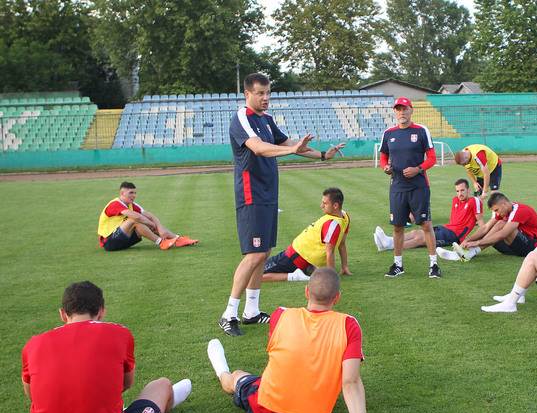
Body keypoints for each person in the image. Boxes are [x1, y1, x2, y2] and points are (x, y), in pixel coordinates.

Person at [206, 268, 393, 413]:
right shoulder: (349, 325)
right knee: (255, 379)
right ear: (337, 298)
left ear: (306, 291)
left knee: (237, 376)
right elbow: (350, 381)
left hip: (267, 408)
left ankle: (222, 371)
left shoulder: (280, 315)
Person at [21, 281, 192, 413]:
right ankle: (153, 410)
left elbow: (32, 395)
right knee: (161, 385)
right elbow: (125, 384)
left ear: (62, 314)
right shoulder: (119, 333)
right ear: (101, 312)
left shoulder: (34, 344)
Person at [220, 72, 345, 336]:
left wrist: (322, 155)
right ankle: (229, 313)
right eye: (260, 93)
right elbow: (259, 148)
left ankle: (251, 311)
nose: (266, 98)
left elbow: (289, 144)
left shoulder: (266, 119)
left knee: (264, 253)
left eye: (268, 93)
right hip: (251, 196)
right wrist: (292, 149)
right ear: (247, 94)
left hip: (268, 195)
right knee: (253, 254)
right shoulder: (241, 118)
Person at [379, 96, 440, 278]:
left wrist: (418, 169)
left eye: (405, 108)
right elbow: (383, 156)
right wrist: (386, 168)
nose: (401, 112)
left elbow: (432, 158)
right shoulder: (389, 133)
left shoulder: (421, 131)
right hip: (397, 187)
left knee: (426, 225)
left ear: (411, 110)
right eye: (398, 109)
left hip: (419, 186)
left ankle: (434, 265)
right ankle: (398, 265)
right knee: (398, 227)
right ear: (395, 112)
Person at [375, 178, 484, 261]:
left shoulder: (474, 201)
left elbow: (480, 223)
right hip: (446, 228)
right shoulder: (455, 200)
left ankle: (389, 245)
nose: (460, 194)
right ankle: (389, 240)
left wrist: (472, 239)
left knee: (421, 239)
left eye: (462, 190)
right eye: (457, 191)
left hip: (454, 236)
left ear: (468, 190)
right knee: (415, 232)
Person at [261, 187, 351, 283]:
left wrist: (331, 278)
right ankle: (309, 268)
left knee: (255, 273)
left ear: (335, 205)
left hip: (295, 256)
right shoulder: (345, 217)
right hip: (300, 254)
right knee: (256, 269)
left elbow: (330, 252)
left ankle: (295, 276)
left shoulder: (332, 224)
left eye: (325, 203)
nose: (321, 206)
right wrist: (344, 266)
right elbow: (341, 244)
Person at [97, 181, 197, 251]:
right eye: (131, 193)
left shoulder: (132, 205)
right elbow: (137, 218)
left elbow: (151, 216)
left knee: (142, 222)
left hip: (122, 240)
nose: (134, 195)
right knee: (135, 220)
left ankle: (178, 239)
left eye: (135, 193)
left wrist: (160, 227)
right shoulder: (115, 204)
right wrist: (153, 225)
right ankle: (161, 242)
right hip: (109, 243)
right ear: (122, 193)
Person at [453, 192, 537, 261]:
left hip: (532, 248)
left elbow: (503, 234)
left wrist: (477, 243)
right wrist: (468, 240)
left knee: (501, 224)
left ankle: (473, 252)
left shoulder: (519, 211)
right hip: (514, 248)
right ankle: (471, 252)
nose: (497, 213)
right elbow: (485, 228)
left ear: (504, 204)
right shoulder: (505, 210)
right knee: (495, 226)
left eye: (497, 210)